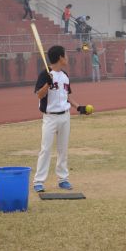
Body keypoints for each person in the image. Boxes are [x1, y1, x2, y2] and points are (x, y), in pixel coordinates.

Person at [32, 45, 86, 192]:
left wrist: (79, 107)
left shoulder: (65, 76)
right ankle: (38, 181)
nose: (67, 58)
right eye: (66, 55)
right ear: (60, 58)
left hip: (65, 116)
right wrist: (47, 84)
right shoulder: (45, 74)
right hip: (50, 118)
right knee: (46, 149)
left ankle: (63, 179)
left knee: (63, 149)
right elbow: (39, 95)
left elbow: (67, 96)